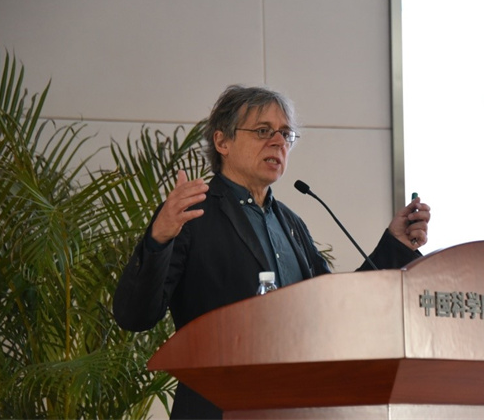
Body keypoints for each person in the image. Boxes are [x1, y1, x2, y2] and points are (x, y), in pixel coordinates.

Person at [113, 85, 431, 419]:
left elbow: (335, 309)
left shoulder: (291, 224)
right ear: (222, 142)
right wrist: (159, 238)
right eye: (263, 131)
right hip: (218, 409)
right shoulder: (192, 215)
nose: (279, 142)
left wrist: (395, 245)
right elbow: (135, 315)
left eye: (285, 134)